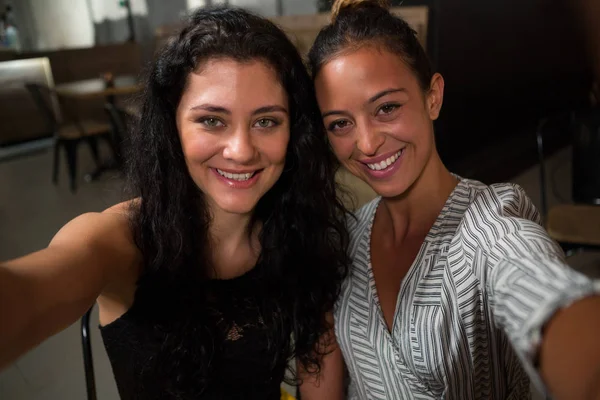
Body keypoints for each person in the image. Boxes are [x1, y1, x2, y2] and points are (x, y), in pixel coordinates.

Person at [0, 7, 350, 399]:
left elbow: (319, 373)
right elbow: (36, 289)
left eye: (266, 121)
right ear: (173, 126)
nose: (240, 150)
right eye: (212, 120)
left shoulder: (301, 230)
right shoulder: (125, 238)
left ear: (293, 131)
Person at [301, 0, 600, 399]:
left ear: (433, 97)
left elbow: (538, 290)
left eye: (387, 108)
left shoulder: (488, 227)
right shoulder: (346, 237)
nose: (367, 143)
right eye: (340, 123)